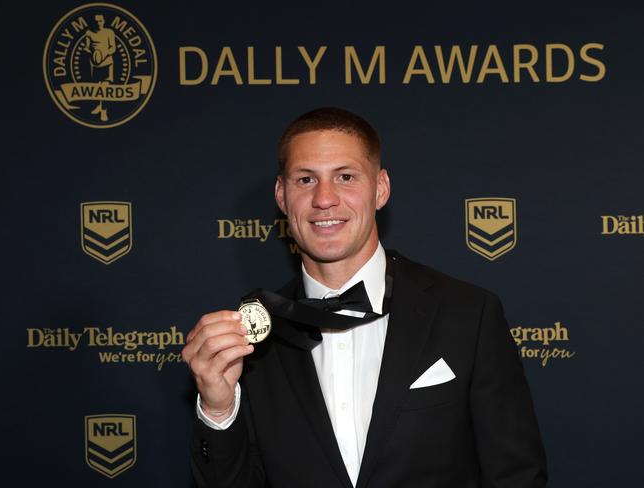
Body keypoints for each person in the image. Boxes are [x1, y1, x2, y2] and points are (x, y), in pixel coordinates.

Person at [182, 107, 547, 488]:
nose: (324, 199)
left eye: (345, 177)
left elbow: (516, 476)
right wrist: (218, 408)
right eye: (305, 179)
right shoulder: (252, 337)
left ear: (380, 188)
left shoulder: (469, 315)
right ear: (281, 195)